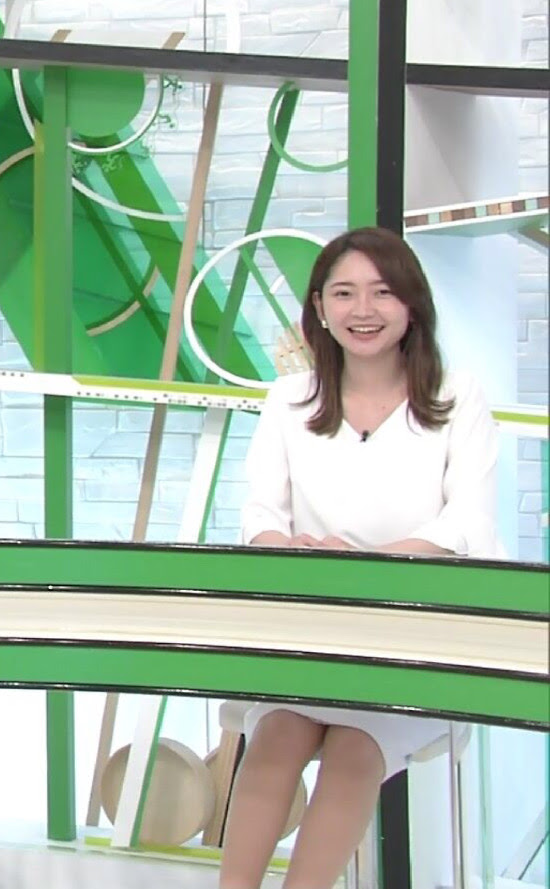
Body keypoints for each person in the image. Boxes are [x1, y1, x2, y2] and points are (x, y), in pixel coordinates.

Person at [219, 227, 502, 889]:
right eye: (344, 293)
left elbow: (467, 524)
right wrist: (289, 550)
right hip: (317, 635)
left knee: (352, 750)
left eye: (382, 292)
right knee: (278, 735)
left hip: (415, 637)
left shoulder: (458, 398)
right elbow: (261, 516)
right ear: (320, 307)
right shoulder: (289, 401)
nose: (363, 310)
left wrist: (366, 562)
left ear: (412, 304)